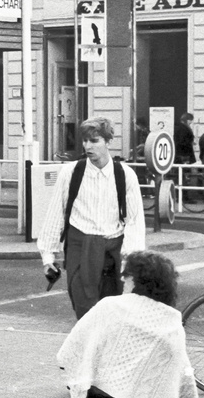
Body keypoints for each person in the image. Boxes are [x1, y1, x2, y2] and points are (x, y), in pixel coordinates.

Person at [58, 250, 196, 398]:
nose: (122, 280)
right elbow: (182, 382)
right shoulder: (171, 322)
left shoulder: (109, 306)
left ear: (139, 279)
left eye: (127, 275)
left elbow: (68, 352)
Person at [37, 117, 146, 320]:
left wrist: (131, 261)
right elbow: (56, 213)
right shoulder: (71, 173)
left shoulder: (126, 175)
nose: (88, 146)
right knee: (85, 311)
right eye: (85, 141)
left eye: (94, 141)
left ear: (108, 142)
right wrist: (48, 256)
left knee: (113, 311)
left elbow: (134, 221)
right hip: (81, 248)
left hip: (112, 251)